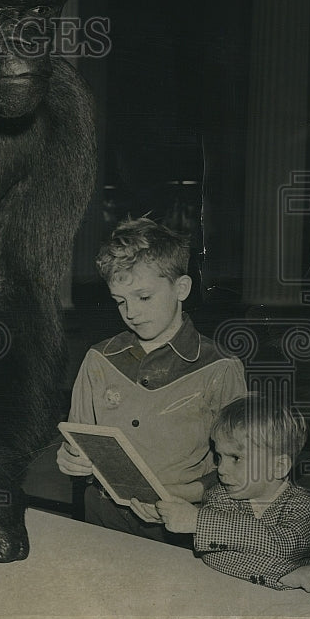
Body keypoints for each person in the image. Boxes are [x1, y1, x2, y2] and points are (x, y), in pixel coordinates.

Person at [56, 217, 245, 545]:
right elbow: (81, 441)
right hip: (102, 517)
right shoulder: (98, 360)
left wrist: (184, 496)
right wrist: (72, 460)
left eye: (144, 297)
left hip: (183, 524)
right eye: (120, 300)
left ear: (181, 288)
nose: (130, 312)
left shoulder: (219, 368)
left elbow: (243, 464)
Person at [131, 395, 310, 591]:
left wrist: (199, 522)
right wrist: (283, 574)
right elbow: (213, 556)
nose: (220, 469)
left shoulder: (309, 508)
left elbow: (285, 544)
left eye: (235, 458)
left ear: (279, 466)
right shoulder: (220, 496)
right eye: (219, 457)